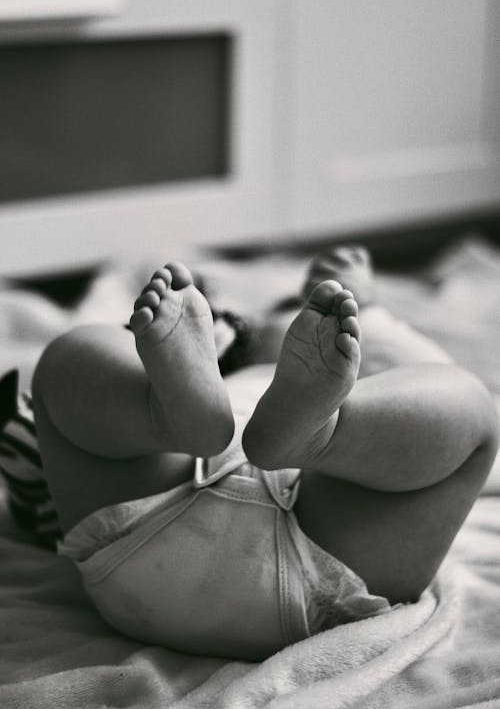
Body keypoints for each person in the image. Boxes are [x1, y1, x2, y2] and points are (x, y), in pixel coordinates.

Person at [27, 246, 498, 660]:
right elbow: (423, 377)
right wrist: (369, 313)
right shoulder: (219, 363)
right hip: (332, 561)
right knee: (467, 405)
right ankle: (308, 433)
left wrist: (367, 318)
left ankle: (171, 416)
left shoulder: (347, 380)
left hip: (142, 558)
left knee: (67, 362)